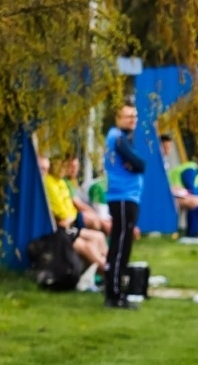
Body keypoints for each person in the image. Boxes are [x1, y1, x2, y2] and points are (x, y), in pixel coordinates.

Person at [102, 103, 145, 310]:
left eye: (134, 116)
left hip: (128, 197)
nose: (132, 120)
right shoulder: (117, 137)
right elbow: (140, 164)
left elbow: (137, 163)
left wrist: (135, 164)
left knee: (122, 244)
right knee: (120, 245)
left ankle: (117, 290)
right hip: (122, 196)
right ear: (118, 118)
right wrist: (135, 164)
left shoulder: (123, 138)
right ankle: (115, 294)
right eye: (128, 116)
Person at [40, 156, 108, 274]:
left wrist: (70, 217)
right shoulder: (47, 184)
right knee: (88, 247)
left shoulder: (60, 182)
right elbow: (62, 215)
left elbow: (68, 213)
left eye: (46, 169)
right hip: (59, 232)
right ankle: (109, 274)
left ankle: (112, 267)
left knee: (99, 237)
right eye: (41, 169)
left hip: (69, 226)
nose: (44, 172)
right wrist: (69, 217)